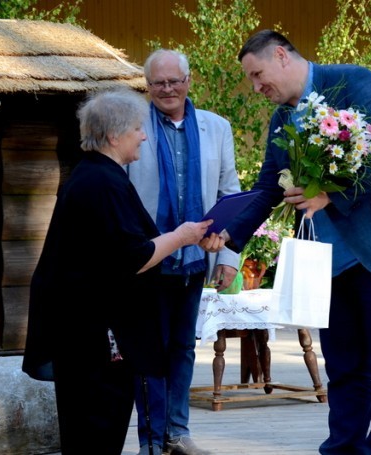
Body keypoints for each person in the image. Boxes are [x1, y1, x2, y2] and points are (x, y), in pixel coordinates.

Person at [222, 30, 371, 454]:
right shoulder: (282, 119)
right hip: (329, 263)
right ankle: (341, 449)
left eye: (257, 74)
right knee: (342, 368)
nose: (256, 86)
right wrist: (230, 236)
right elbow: (268, 188)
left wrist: (329, 195)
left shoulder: (353, 82)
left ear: (281, 55)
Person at [21, 88, 224, 454]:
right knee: (96, 434)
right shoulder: (101, 182)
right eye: (137, 129)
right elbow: (134, 257)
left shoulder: (97, 175)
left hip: (86, 336)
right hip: (91, 342)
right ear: (115, 136)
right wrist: (182, 237)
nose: (144, 136)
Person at [125, 49, 241, 455]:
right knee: (148, 352)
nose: (167, 89)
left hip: (195, 261)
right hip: (148, 258)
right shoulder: (132, 125)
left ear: (189, 81)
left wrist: (228, 257)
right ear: (147, 86)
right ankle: (151, 439)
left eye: (174, 81)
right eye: (158, 82)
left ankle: (177, 431)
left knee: (183, 349)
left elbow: (230, 194)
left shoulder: (217, 127)